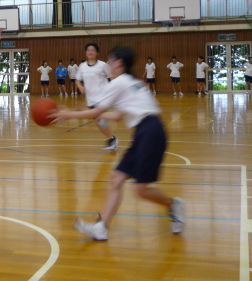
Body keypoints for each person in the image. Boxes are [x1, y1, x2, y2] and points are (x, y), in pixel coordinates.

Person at [50, 46, 185, 240]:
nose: (108, 64)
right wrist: (92, 111)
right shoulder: (132, 82)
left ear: (119, 63)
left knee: (141, 190)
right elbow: (119, 115)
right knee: (115, 178)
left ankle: (174, 205)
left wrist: (68, 114)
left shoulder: (119, 82)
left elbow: (96, 112)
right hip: (145, 131)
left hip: (150, 132)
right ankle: (101, 227)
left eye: (110, 61)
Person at [76, 42, 116, 150]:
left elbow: (111, 77)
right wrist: (80, 87)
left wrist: (113, 89)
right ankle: (110, 139)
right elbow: (77, 80)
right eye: (88, 50)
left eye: (92, 50)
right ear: (85, 52)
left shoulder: (102, 65)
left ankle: (111, 140)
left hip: (103, 97)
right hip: (90, 99)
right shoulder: (82, 66)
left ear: (97, 53)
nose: (90, 52)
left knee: (98, 118)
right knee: (98, 120)